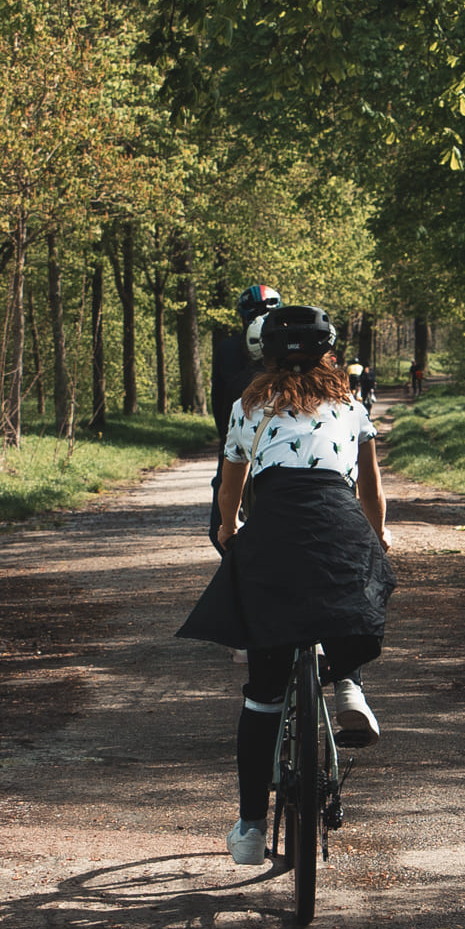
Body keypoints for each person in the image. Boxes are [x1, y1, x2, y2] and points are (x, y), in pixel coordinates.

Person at [179, 304, 392, 865]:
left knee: (264, 696)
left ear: (266, 355)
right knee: (349, 591)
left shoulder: (247, 405)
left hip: (272, 534)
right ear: (329, 353)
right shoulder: (351, 404)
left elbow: (230, 491)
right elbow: (370, 492)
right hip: (338, 523)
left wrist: (229, 532)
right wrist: (377, 537)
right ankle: (347, 685)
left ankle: (250, 830)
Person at [204, 283, 279, 548]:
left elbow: (219, 399)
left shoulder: (226, 348)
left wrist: (224, 437)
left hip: (235, 436)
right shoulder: (290, 346)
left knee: (222, 524)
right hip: (276, 438)